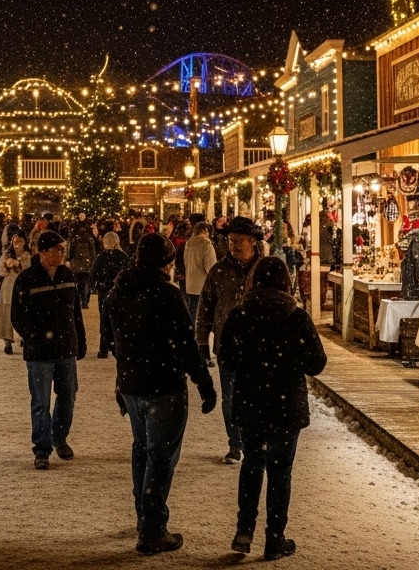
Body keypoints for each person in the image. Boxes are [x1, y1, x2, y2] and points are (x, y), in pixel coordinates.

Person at [104, 233, 217, 555]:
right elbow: (184, 342)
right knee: (160, 457)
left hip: (133, 385)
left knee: (142, 450)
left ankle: (145, 516)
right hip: (164, 385)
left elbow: (114, 341)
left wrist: (121, 379)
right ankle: (152, 529)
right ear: (166, 264)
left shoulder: (119, 291)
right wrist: (203, 381)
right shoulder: (165, 294)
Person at [218, 256, 327, 560]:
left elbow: (226, 359)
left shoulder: (239, 316)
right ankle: (274, 539)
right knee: (280, 472)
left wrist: (251, 362)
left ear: (253, 281)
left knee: (253, 464)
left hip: (251, 402)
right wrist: (290, 361)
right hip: (285, 405)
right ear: (286, 282)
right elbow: (317, 363)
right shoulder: (297, 318)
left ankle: (244, 529)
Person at [11, 231, 87, 470]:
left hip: (66, 347)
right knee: (41, 401)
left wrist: (81, 340)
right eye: (57, 249)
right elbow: (17, 316)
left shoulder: (67, 275)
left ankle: (59, 438)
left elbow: (76, 313)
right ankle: (42, 449)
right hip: (39, 352)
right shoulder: (27, 279)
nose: (62, 254)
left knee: (68, 396)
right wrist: (34, 336)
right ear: (42, 253)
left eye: (63, 249)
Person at [196, 215, 264, 465]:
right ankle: (235, 444)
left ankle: (254, 441)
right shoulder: (219, 270)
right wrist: (201, 341)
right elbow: (205, 306)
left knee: (257, 396)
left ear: (252, 242)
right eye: (231, 241)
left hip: (260, 346)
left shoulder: (265, 268)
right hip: (227, 346)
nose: (233, 246)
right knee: (231, 399)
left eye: (239, 241)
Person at [89, 232, 130, 358]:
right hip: (119, 292)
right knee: (120, 320)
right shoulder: (123, 257)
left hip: (104, 291)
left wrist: (96, 285)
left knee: (105, 320)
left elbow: (93, 274)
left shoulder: (101, 257)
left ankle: (104, 348)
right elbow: (128, 273)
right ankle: (120, 346)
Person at [0, 231, 29, 355]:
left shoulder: (27, 255)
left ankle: (24, 336)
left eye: (20, 240)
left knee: (23, 313)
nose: (17, 242)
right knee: (6, 315)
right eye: (15, 240)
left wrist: (18, 264)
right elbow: (0, 270)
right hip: (8, 287)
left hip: (22, 287)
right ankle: (7, 342)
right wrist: (7, 265)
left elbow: (28, 269)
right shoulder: (6, 254)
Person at [181, 222, 217, 318]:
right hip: (203, 286)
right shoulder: (206, 244)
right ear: (206, 231)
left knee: (193, 315)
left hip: (190, 285)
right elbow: (211, 267)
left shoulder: (189, 244)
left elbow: (185, 262)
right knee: (203, 318)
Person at [68, 222, 98, 309]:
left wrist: (70, 259)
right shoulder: (89, 238)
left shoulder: (74, 239)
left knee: (79, 283)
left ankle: (81, 299)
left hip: (77, 264)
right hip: (86, 264)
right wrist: (91, 261)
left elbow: (71, 253)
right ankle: (85, 300)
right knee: (86, 283)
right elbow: (93, 251)